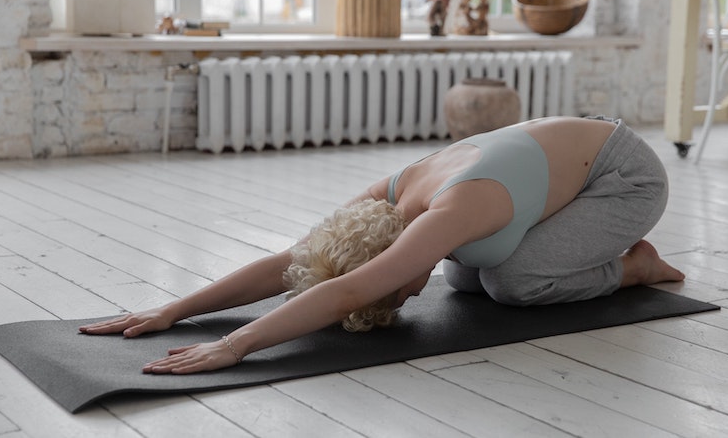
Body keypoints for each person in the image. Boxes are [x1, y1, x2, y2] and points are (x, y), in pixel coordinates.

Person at [79, 116, 685, 374]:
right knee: (468, 277)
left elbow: (354, 287)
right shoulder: (389, 199)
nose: (400, 301)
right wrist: (176, 309)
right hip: (560, 170)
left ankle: (634, 265)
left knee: (512, 281)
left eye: (392, 297)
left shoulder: (451, 208)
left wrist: (236, 344)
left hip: (621, 178)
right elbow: (291, 260)